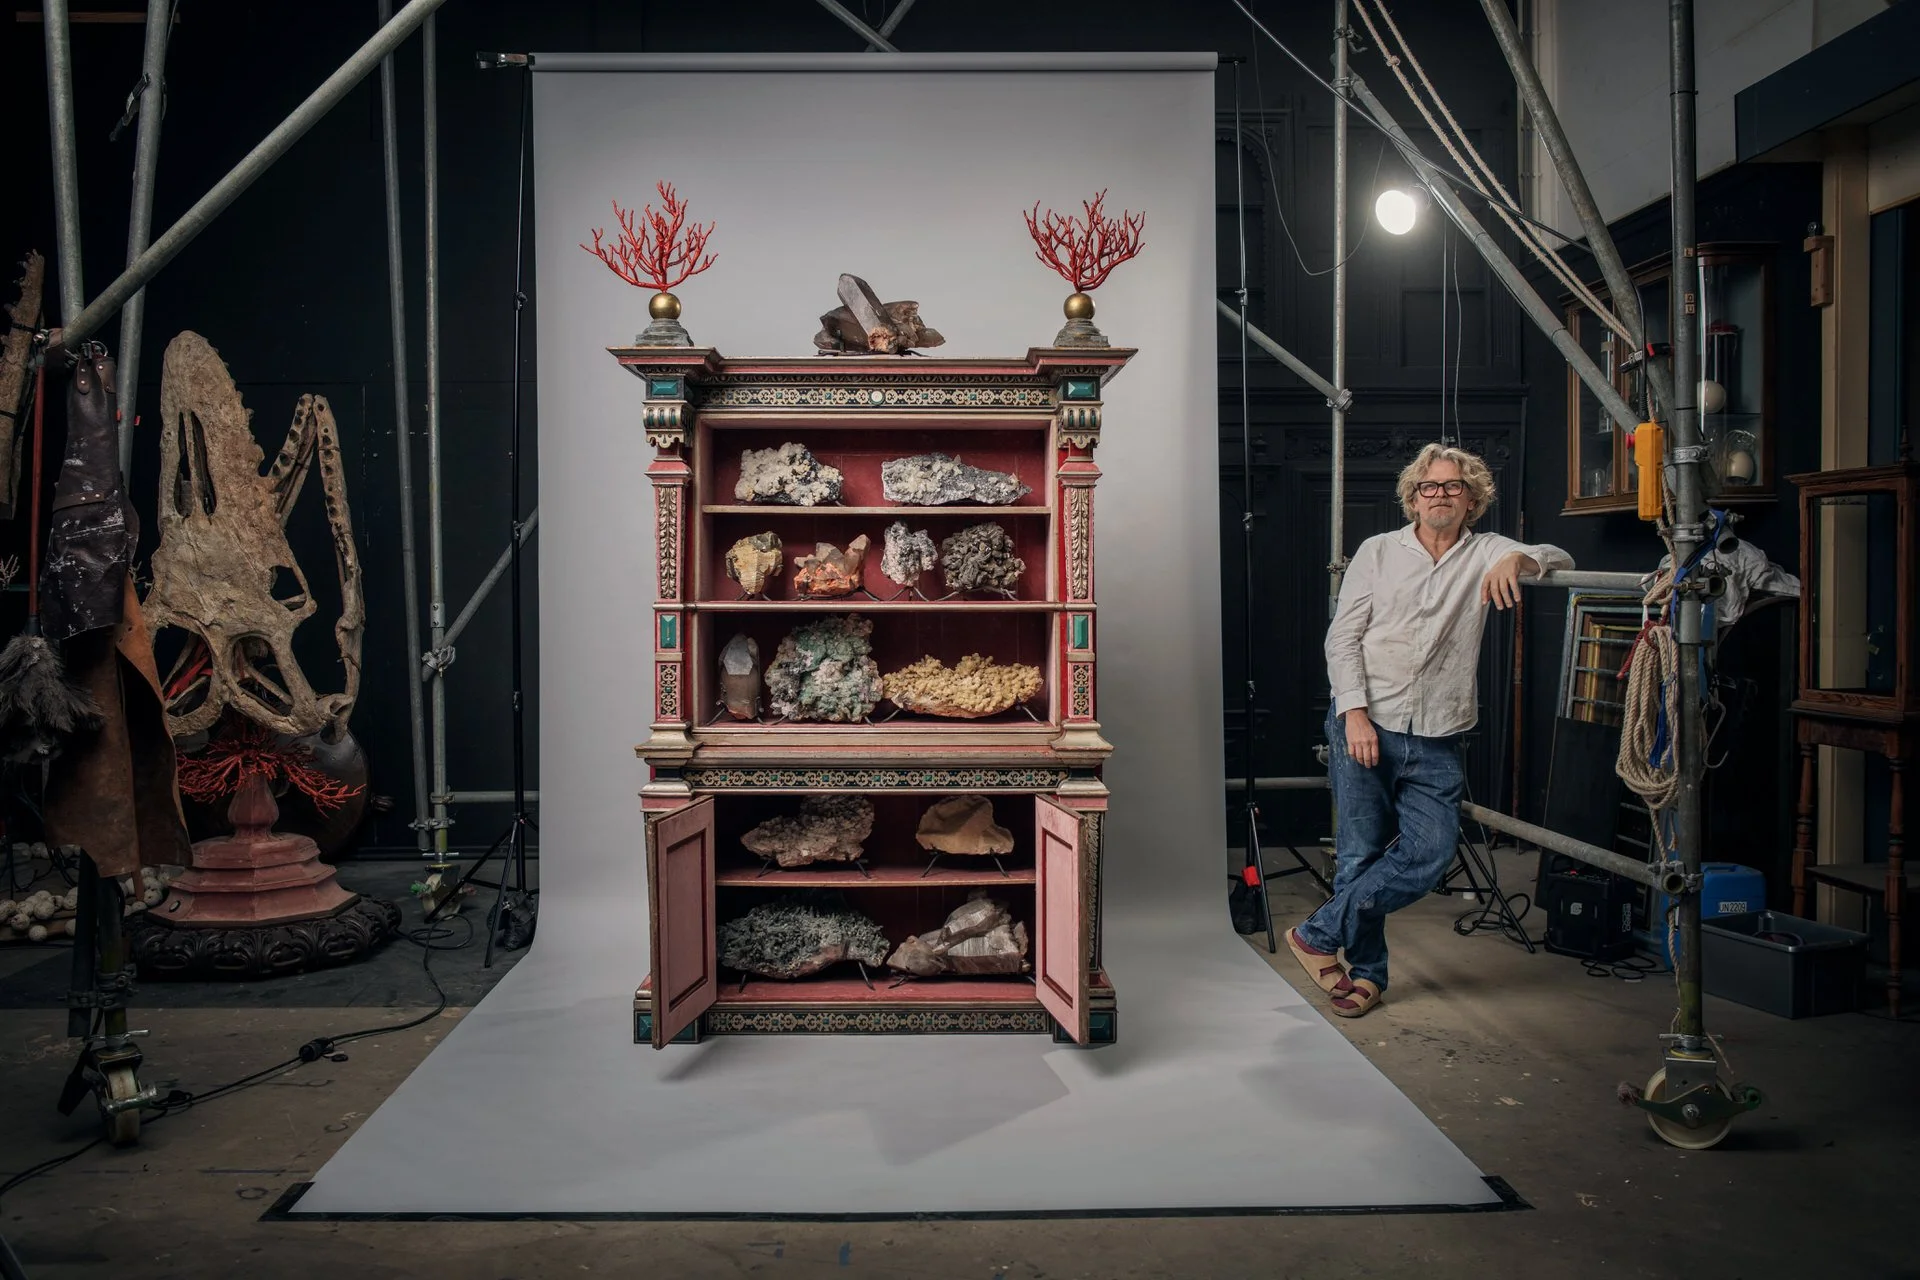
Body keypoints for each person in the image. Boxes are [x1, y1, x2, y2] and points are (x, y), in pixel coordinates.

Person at [1286, 443, 1572, 1017]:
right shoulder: (1378, 551)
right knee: (1360, 855)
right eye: (1429, 487)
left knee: (1431, 852)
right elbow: (1342, 638)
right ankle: (1368, 977)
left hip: (1438, 731)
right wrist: (1355, 714)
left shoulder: (1488, 550)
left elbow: (1557, 555)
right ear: (1413, 497)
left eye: (1452, 487)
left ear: (1472, 499)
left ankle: (1316, 934)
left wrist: (1523, 562)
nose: (1440, 495)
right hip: (1366, 720)